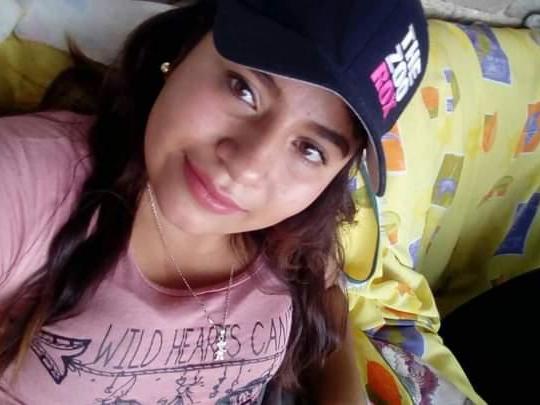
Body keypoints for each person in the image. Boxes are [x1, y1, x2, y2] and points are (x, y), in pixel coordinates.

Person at [0, 0, 428, 403]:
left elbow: (328, 292)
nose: (247, 167)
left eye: (310, 149)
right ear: (186, 49)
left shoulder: (293, 231)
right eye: (244, 89)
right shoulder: (28, 180)